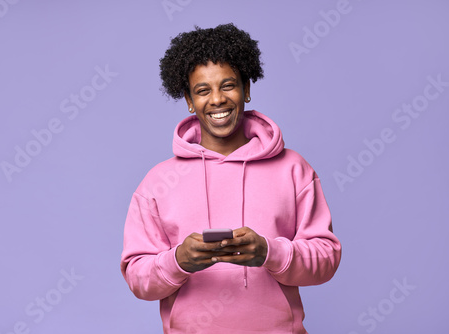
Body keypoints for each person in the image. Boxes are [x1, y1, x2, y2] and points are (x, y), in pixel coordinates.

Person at [120, 23, 341, 334]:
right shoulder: (158, 182)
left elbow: (327, 258)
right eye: (202, 90)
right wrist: (179, 260)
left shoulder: (293, 169)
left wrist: (269, 253)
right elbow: (138, 278)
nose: (217, 100)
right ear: (188, 100)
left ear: (247, 89)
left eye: (228, 85)